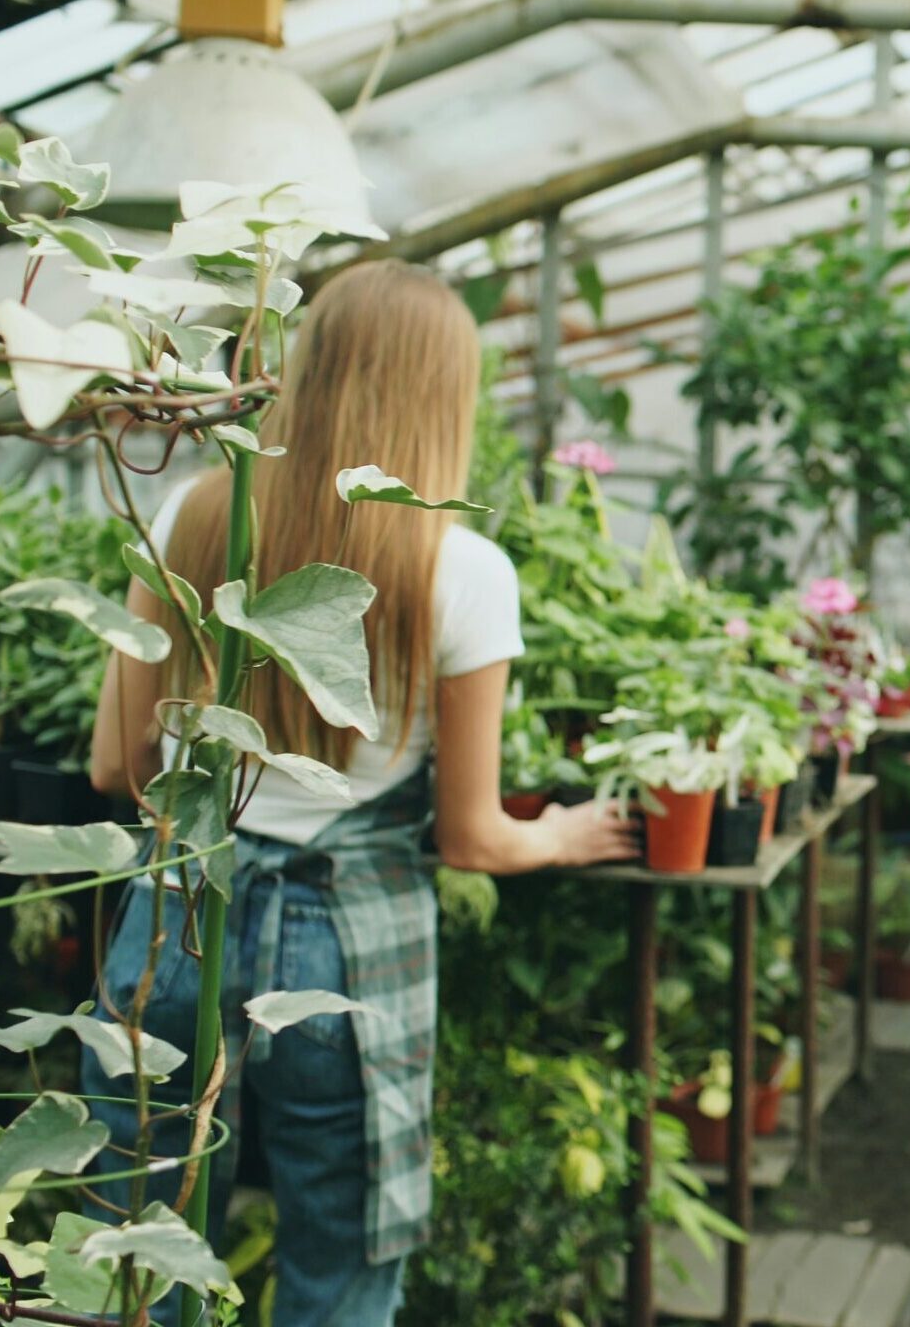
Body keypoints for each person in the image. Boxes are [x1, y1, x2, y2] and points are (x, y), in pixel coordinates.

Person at [86, 260, 635, 1326]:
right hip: (342, 953)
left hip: (174, 920)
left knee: (129, 1254)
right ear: (443, 394)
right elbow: (474, 837)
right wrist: (561, 833)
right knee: (339, 1271)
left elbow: (116, 766)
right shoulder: (460, 568)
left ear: (310, 364)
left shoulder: (195, 512)